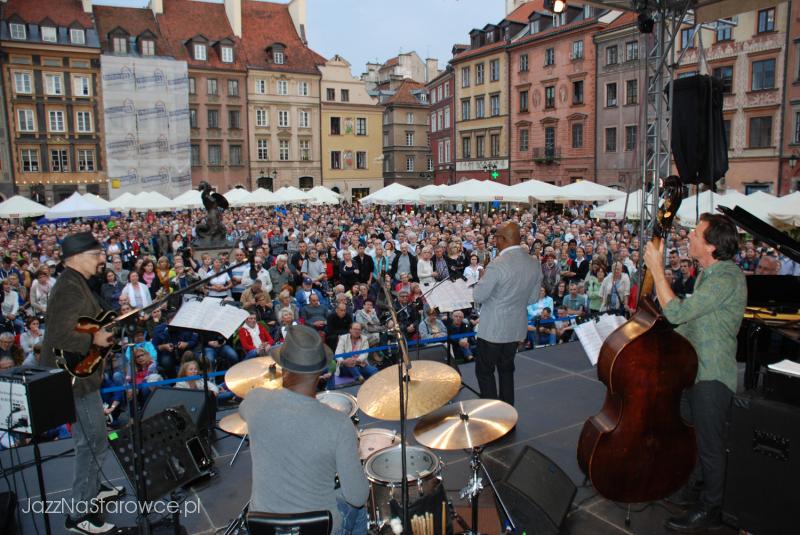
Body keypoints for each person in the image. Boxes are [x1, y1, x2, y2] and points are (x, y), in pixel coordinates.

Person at [643, 213, 746, 532]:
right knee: (694, 437)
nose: (689, 237)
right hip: (694, 371)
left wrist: (657, 270)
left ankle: (711, 509)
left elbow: (678, 313)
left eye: (696, 234)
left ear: (712, 246)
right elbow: (688, 324)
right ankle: (695, 490)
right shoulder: (708, 275)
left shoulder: (726, 278)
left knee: (712, 446)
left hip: (712, 376)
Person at [240, 325, 368, 534]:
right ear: (320, 373)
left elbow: (244, 408)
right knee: (359, 509)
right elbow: (357, 496)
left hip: (263, 527)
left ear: (283, 368)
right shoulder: (339, 424)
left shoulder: (255, 401)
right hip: (319, 528)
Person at [39, 232, 123, 534]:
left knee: (96, 439)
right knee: (92, 441)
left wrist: (104, 331)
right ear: (75, 258)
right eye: (96, 254)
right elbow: (58, 336)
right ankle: (79, 513)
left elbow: (85, 321)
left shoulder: (77, 283)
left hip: (83, 373)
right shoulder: (68, 288)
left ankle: (95, 487)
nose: (102, 259)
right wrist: (95, 337)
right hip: (73, 378)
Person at [472, 222, 542, 406]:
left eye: (496, 237)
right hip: (515, 328)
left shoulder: (497, 265)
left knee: (485, 372)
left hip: (493, 330)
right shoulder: (534, 263)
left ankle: (492, 415)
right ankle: (508, 413)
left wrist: (481, 279)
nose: (495, 241)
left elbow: (479, 296)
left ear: (502, 239)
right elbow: (533, 298)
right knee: (506, 370)